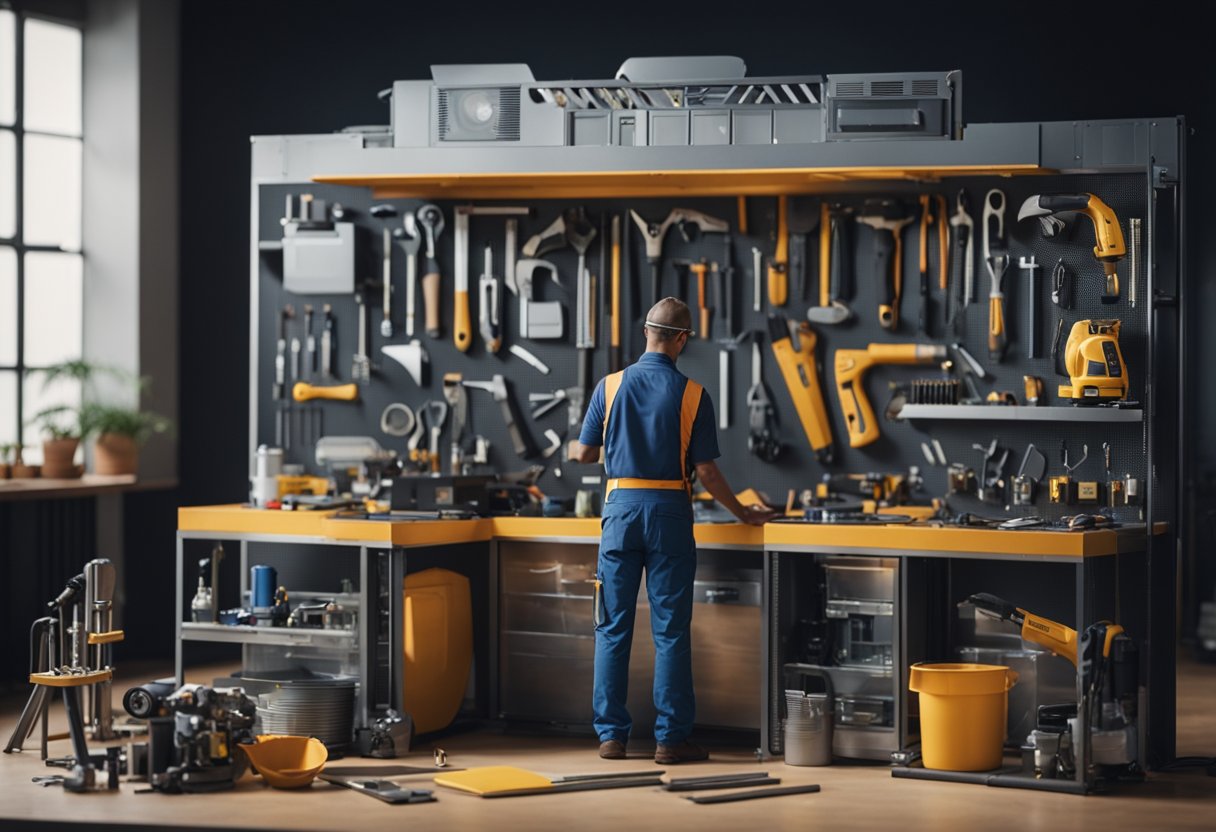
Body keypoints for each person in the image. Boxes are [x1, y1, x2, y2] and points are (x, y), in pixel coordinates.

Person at [572, 297, 775, 765]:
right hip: (669, 514)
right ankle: (670, 740)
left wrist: (618, 449)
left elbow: (582, 456)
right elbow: (706, 472)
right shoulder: (693, 395)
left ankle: (611, 737)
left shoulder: (609, 386)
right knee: (670, 632)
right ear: (682, 339)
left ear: (646, 331)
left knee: (612, 628)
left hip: (620, 511)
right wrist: (744, 514)